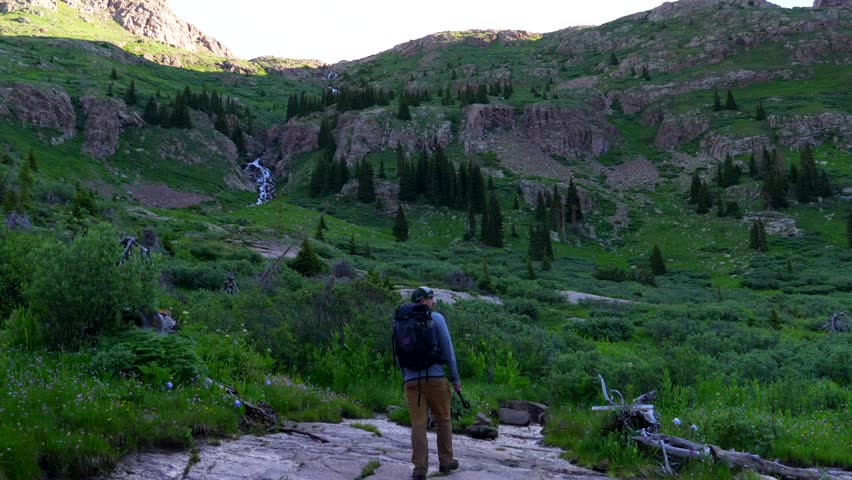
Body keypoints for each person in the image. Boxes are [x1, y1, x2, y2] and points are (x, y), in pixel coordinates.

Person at [401, 286, 461, 480]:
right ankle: (446, 462)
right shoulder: (437, 319)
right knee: (443, 419)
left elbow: (399, 353)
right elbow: (448, 352)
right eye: (431, 298)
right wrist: (455, 379)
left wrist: (407, 378)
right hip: (435, 379)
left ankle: (419, 468)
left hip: (411, 381)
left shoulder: (401, 321)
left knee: (418, 424)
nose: (434, 301)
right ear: (424, 301)